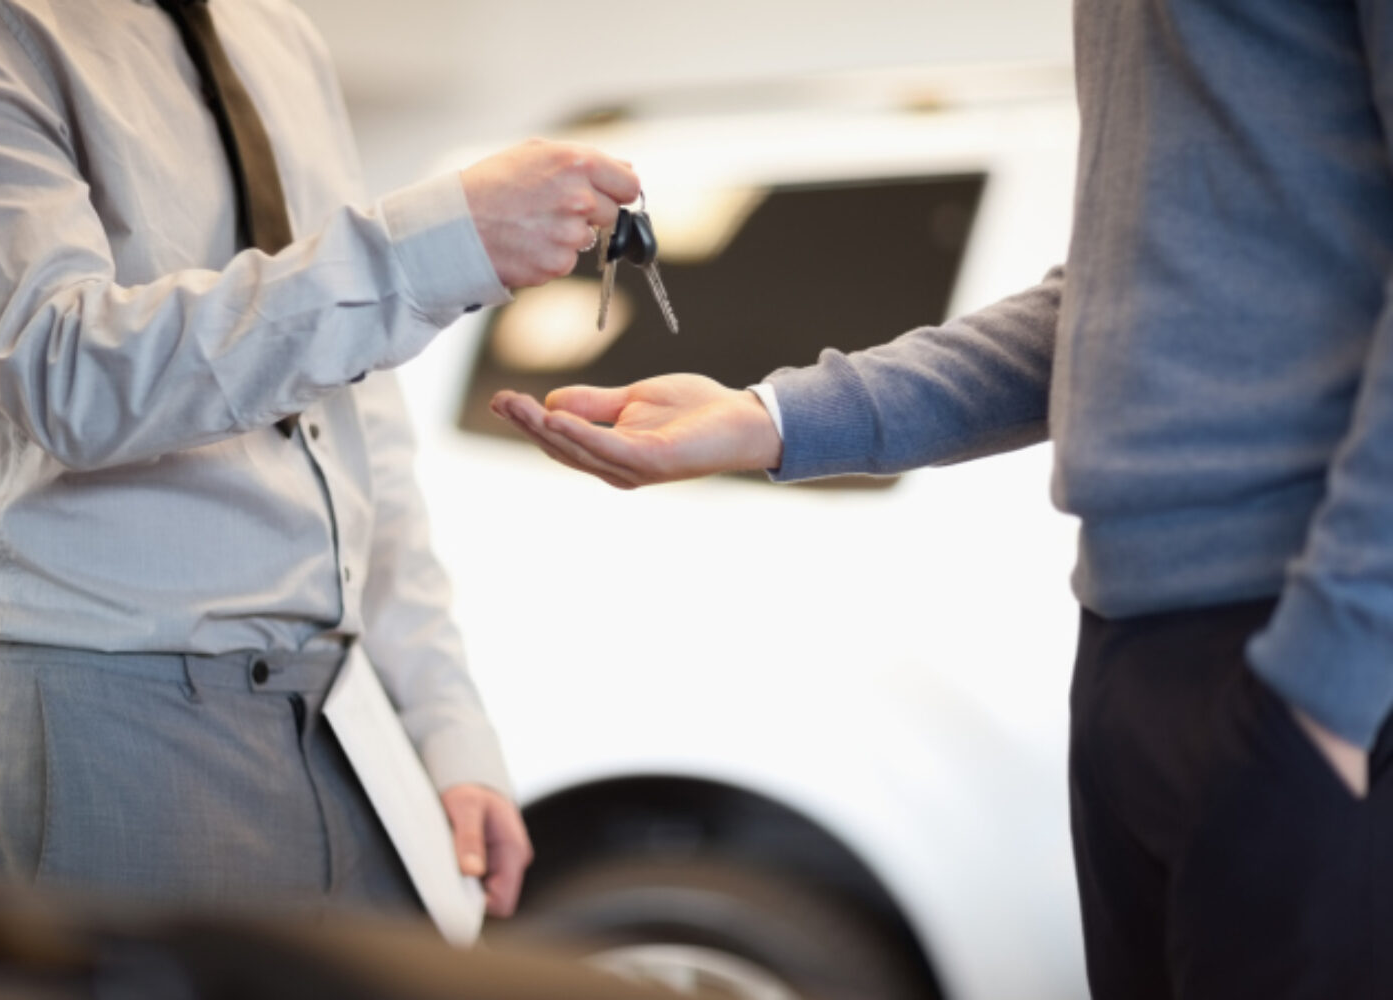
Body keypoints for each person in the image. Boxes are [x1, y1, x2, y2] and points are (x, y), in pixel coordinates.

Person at [492, 3, 1393, 996]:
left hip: (1307, 651)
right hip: (1131, 646)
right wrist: (768, 416)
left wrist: (1327, 682)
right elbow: (1115, 297)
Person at [0, 0, 640, 919]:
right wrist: (434, 247)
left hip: (346, 729)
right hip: (101, 732)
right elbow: (70, 378)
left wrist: (445, 726)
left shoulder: (273, 34)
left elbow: (355, 416)